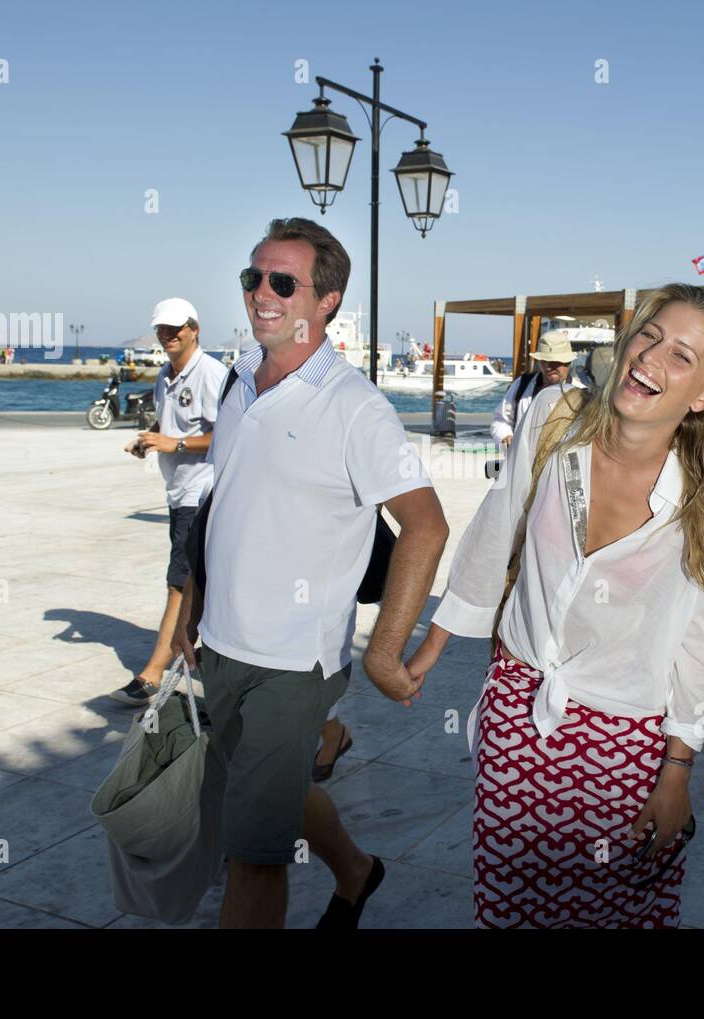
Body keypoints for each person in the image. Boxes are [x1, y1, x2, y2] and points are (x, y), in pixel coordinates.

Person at [405, 283, 704, 929]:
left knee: (614, 914)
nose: (650, 358)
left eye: (681, 356)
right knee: (507, 911)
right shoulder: (556, 419)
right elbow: (496, 531)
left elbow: (702, 644)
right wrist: (428, 650)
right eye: (649, 336)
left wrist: (677, 773)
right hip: (517, 712)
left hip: (626, 742)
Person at [173, 217, 448, 929]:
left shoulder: (355, 408)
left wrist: (385, 651)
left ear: (326, 301)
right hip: (223, 645)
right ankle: (356, 871)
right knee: (270, 792)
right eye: (253, 277)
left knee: (253, 854)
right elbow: (222, 503)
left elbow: (426, 524)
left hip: (294, 662)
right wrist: (190, 606)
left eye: (282, 281)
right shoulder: (238, 382)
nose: (261, 293)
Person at [112, 298, 228, 706]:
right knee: (198, 585)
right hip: (178, 492)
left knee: (179, 582)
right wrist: (149, 439)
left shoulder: (212, 374)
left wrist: (174, 443)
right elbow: (171, 424)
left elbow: (230, 435)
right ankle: (211, 677)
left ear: (194, 329)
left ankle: (153, 672)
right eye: (162, 329)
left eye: (175, 328)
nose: (168, 336)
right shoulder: (165, 375)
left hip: (202, 491)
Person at [490, 331, 577, 451]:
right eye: (543, 361)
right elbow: (500, 420)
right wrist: (505, 437)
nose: (547, 367)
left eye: (554, 363)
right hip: (521, 463)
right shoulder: (522, 385)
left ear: (568, 362)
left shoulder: (581, 394)